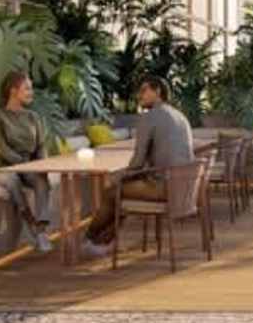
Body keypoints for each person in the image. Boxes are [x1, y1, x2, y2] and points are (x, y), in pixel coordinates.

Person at [82, 75, 195, 257]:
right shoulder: (180, 116)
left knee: (112, 192)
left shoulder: (149, 117)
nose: (139, 95)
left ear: (157, 91)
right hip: (185, 189)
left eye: (143, 90)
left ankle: (89, 239)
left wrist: (119, 177)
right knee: (122, 189)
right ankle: (104, 242)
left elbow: (137, 163)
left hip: (163, 188)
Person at [0, 71, 53, 253]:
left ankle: (41, 230)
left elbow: (41, 145)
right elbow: (1, 148)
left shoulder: (33, 117)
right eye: (27, 88)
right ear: (13, 91)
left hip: (29, 166)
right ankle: (30, 222)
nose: (31, 92)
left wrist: (42, 165)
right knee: (12, 181)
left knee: (41, 180)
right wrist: (22, 165)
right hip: (5, 167)